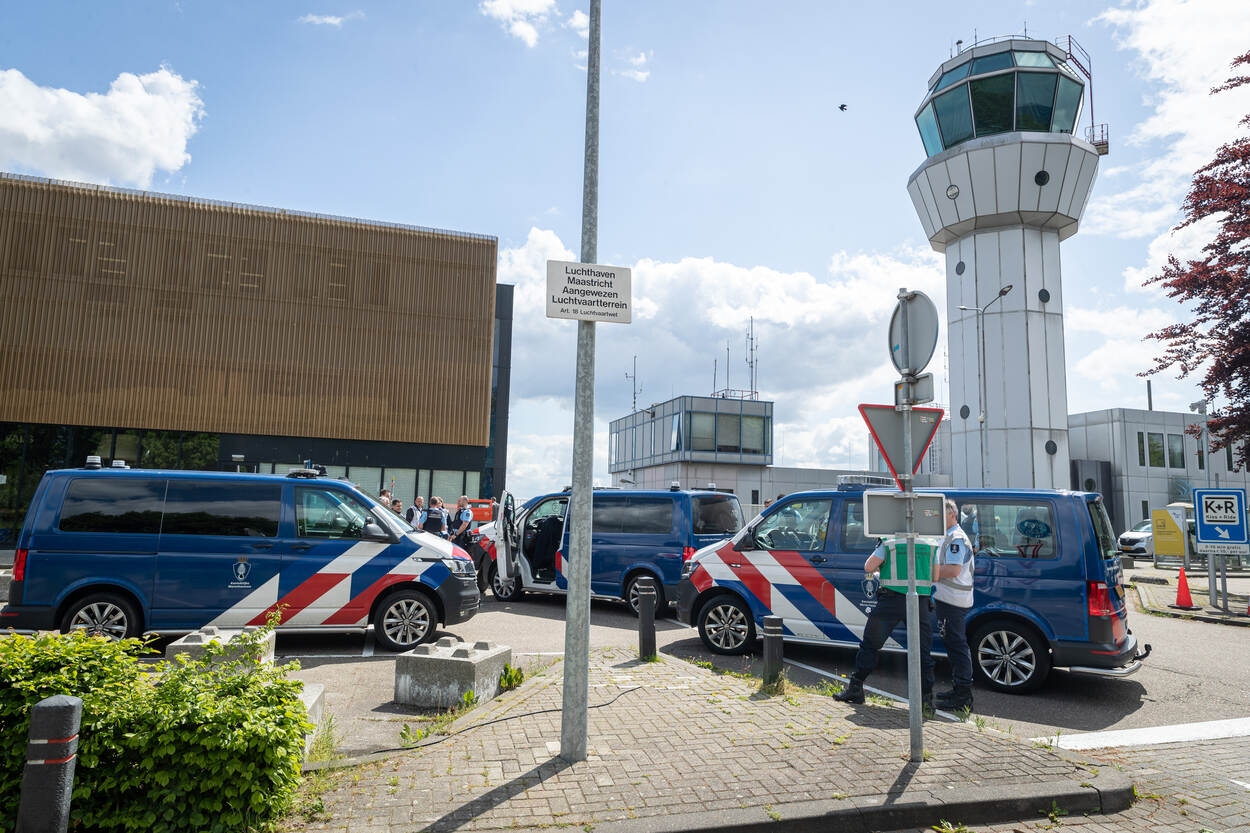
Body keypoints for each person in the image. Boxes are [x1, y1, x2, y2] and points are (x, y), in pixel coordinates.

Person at [835, 533, 939, 709]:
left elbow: (868, 567)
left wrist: (880, 572)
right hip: (920, 601)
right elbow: (935, 577)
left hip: (891, 601)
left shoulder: (889, 542)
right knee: (922, 651)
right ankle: (926, 701)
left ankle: (856, 688)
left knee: (870, 644)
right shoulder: (930, 544)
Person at [934, 499, 976, 711]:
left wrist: (924, 573)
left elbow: (953, 570)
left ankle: (963, 696)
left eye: (939, 514)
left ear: (952, 514)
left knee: (957, 646)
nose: (936, 519)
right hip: (948, 599)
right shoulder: (948, 536)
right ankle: (958, 688)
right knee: (953, 645)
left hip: (953, 601)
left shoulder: (956, 538)